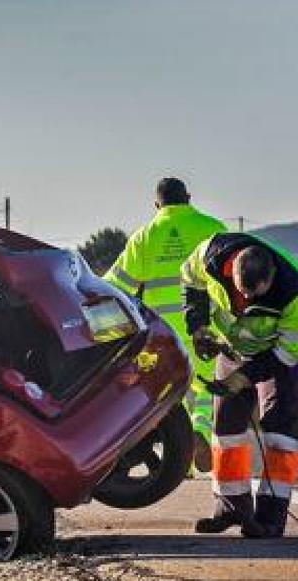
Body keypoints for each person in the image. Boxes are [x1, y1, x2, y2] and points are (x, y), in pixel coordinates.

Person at [105, 178, 226, 470]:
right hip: (205, 326)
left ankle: (180, 456)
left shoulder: (144, 237)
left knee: (175, 393)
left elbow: (116, 286)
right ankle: (202, 431)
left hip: (164, 332)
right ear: (188, 198)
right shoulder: (213, 229)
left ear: (157, 205)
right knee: (208, 386)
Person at [182, 235, 298, 537]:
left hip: (279, 357)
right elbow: (189, 278)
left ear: (270, 278)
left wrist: (243, 378)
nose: (246, 302)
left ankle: (270, 518)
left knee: (278, 431)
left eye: (255, 295)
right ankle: (231, 508)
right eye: (242, 293)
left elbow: (286, 353)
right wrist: (198, 326)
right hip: (234, 349)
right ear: (232, 270)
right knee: (226, 428)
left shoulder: (292, 292)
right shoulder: (211, 254)